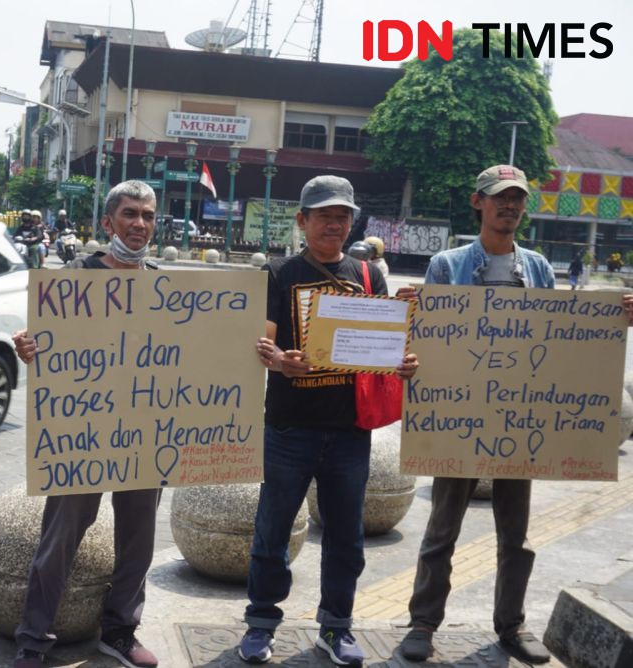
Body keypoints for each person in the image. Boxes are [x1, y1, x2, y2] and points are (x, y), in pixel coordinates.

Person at [397, 165, 633, 663]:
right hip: (457, 417)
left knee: (517, 534)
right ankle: (423, 622)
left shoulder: (540, 269)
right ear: (477, 202)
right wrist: (408, 313)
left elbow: (563, 335)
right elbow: (424, 338)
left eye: (517, 199)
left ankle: (511, 624)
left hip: (521, 418)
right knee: (442, 528)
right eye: (499, 197)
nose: (509, 206)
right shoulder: (447, 264)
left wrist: (616, 316)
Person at [238, 175, 419, 666]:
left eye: (342, 216)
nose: (334, 224)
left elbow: (388, 346)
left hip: (349, 432)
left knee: (346, 538)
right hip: (289, 428)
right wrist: (280, 361)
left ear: (352, 222)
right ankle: (260, 622)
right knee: (272, 532)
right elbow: (263, 344)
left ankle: (336, 627)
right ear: (303, 221)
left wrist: (402, 361)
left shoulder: (369, 276)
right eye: (324, 216)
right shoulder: (279, 274)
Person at [11, 180, 162, 668]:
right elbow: (49, 353)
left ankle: (120, 630)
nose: (139, 224)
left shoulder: (166, 286)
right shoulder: (74, 277)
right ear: (108, 222)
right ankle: (33, 638)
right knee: (60, 538)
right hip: (83, 433)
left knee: (139, 536)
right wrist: (31, 348)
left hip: (145, 432)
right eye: (130, 214)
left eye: (148, 215)